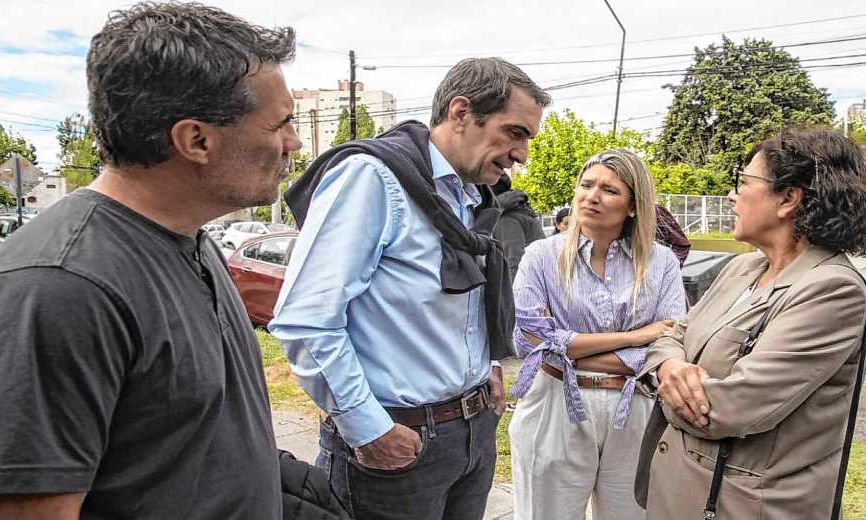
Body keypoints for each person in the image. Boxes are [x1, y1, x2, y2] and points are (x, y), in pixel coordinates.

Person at [0, 3, 303, 518]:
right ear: (196, 140)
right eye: (279, 125)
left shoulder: (191, 240)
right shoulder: (56, 290)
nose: (293, 143)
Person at [270, 57, 550, 520]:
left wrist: (487, 367)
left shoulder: (468, 196)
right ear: (461, 113)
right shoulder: (373, 178)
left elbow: (453, 303)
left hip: (472, 435)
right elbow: (306, 321)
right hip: (398, 447)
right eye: (515, 132)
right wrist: (369, 429)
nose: (521, 154)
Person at [637, 127, 866, 519]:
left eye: (743, 181)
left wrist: (656, 380)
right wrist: (671, 366)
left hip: (741, 507)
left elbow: (728, 409)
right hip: (680, 494)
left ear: (788, 198)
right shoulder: (742, 267)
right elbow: (673, 334)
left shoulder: (832, 290)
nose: (733, 195)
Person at [508, 149, 687, 520]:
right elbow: (529, 342)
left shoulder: (660, 263)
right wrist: (634, 337)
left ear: (634, 205)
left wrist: (568, 348)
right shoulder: (541, 257)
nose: (591, 196)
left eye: (609, 190)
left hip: (633, 404)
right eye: (586, 185)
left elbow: (669, 342)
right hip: (555, 403)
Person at [492, 172, 546, 280]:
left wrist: (511, 295)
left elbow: (514, 262)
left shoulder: (506, 218)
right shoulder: (518, 209)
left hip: (526, 285)